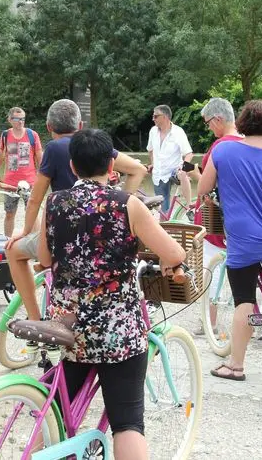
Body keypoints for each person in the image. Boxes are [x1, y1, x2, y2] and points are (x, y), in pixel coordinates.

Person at [37, 129, 185, 460]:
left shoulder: (55, 202)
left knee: (57, 408)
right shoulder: (127, 205)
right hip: (117, 331)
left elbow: (45, 259)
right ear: (111, 165)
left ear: (72, 166)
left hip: (69, 327)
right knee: (128, 422)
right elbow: (174, 253)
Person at [7, 99, 148, 324]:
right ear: (80, 125)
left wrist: (24, 231)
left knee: (13, 251)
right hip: (100, 235)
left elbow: (34, 199)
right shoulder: (95, 145)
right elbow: (138, 169)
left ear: (49, 127)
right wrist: (121, 204)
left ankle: (35, 320)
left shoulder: (54, 148)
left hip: (63, 235)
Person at [198, 100, 262, 381]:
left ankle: (236, 365)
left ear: (241, 122)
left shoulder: (223, 151)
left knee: (244, 301)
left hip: (242, 239)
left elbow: (204, 188)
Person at [184, 97, 244, 335]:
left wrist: (192, 173)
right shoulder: (247, 142)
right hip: (241, 218)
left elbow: (206, 186)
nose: (208, 127)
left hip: (215, 218)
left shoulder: (219, 147)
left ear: (218, 119)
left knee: (210, 269)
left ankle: (209, 321)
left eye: (208, 123)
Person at [0, 107, 43, 236]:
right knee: (9, 214)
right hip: (10, 183)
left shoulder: (32, 135)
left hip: (29, 182)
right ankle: (8, 242)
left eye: (23, 119)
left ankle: (35, 244)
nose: (20, 122)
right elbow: (1, 155)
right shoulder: (5, 135)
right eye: (17, 119)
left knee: (32, 213)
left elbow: (39, 155)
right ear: (10, 120)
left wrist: (43, 175)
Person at [146, 105, 193, 215]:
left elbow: (189, 153)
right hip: (159, 173)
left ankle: (189, 207)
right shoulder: (153, 131)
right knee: (163, 212)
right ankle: (166, 228)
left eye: (156, 116)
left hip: (174, 170)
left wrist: (184, 169)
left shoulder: (178, 132)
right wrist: (153, 163)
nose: (153, 119)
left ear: (165, 117)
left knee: (183, 174)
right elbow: (150, 150)